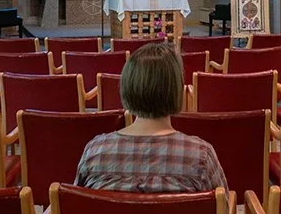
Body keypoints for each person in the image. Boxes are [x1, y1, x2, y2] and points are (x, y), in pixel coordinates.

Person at [75, 43, 228, 194]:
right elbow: (223, 212)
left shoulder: (95, 152)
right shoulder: (201, 156)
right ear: (177, 91)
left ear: (127, 87)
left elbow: (76, 207)